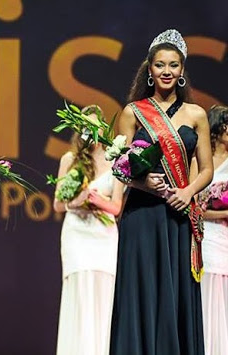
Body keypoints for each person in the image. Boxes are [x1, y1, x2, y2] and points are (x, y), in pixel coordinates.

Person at [110, 29, 212, 355]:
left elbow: (207, 168)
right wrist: (143, 182)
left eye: (173, 65)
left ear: (182, 71)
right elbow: (118, 166)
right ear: (149, 69)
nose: (166, 71)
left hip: (178, 215)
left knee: (178, 290)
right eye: (160, 65)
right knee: (141, 290)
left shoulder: (196, 115)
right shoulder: (132, 112)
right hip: (141, 215)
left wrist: (187, 190)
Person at [53, 106, 124, 355]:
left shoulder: (116, 160)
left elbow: (116, 207)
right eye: (85, 127)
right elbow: (58, 204)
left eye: (94, 127)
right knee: (80, 292)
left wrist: (97, 200)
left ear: (103, 128)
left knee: (103, 294)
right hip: (77, 234)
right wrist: (79, 199)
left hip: (103, 236)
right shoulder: (69, 160)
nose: (90, 132)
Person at [190, 105, 228, 355]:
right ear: (220, 128)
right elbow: (192, 204)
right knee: (207, 294)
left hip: (225, 238)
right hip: (206, 237)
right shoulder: (199, 161)